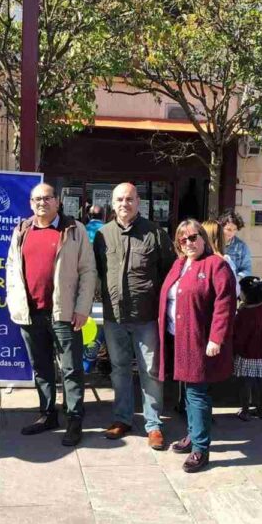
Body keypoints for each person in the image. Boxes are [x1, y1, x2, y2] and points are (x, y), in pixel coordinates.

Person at [6, 183, 96, 446]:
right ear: (31, 203)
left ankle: (74, 419)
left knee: (70, 368)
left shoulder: (74, 229)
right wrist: (15, 303)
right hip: (30, 313)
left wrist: (82, 309)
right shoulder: (22, 230)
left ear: (57, 201)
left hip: (64, 313)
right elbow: (12, 268)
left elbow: (88, 272)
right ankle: (47, 415)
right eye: (36, 199)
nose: (41, 203)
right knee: (42, 368)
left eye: (47, 198)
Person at [94, 183, 175, 449]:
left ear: (138, 201)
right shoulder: (103, 235)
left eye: (129, 199)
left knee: (150, 370)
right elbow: (97, 272)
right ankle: (122, 419)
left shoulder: (155, 233)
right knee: (119, 370)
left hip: (146, 316)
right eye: (119, 199)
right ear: (113, 203)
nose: (124, 204)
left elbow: (168, 272)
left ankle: (153, 424)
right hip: (114, 316)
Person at [158, 219, 235, 473]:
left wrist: (216, 338)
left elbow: (224, 305)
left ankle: (201, 448)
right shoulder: (180, 264)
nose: (188, 243)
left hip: (198, 340)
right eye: (183, 239)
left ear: (203, 237)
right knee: (187, 391)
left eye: (193, 237)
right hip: (176, 337)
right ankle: (193, 434)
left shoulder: (216, 265)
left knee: (197, 393)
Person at [233, 276, 262, 421]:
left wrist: (235, 350)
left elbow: (239, 336)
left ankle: (245, 410)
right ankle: (261, 410)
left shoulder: (243, 314)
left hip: (247, 354)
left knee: (246, 384)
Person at [218, 209, 252, 280]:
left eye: (234, 230)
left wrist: (236, 278)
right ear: (221, 227)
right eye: (229, 229)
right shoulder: (213, 243)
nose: (232, 233)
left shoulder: (241, 247)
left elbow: (247, 270)